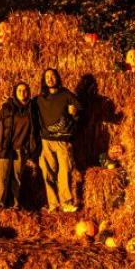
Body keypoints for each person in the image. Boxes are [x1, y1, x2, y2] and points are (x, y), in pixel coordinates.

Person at [33, 68, 81, 213]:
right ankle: (53, 204)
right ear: (44, 80)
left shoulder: (66, 94)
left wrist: (74, 112)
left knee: (65, 171)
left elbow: (79, 108)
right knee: (47, 172)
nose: (50, 79)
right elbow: (25, 110)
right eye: (47, 76)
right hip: (45, 140)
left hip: (63, 140)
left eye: (52, 76)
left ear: (57, 78)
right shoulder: (39, 98)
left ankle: (66, 202)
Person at [0, 82, 36, 208]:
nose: (22, 93)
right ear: (15, 93)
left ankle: (15, 204)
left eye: (25, 90)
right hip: (5, 147)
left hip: (20, 148)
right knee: (2, 177)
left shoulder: (32, 109)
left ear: (29, 92)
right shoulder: (7, 107)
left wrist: (29, 147)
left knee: (17, 178)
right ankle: (0, 203)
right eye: (19, 90)